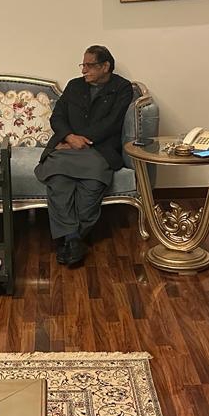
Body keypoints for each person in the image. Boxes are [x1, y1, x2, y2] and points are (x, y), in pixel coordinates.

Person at [35, 45, 133, 268]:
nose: (83, 70)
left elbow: (113, 122)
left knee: (91, 189)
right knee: (58, 183)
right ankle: (73, 240)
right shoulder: (74, 86)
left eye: (89, 65)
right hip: (67, 147)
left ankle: (70, 239)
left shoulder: (122, 88)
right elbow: (57, 117)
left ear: (105, 66)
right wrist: (69, 137)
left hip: (100, 150)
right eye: (83, 65)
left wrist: (83, 140)